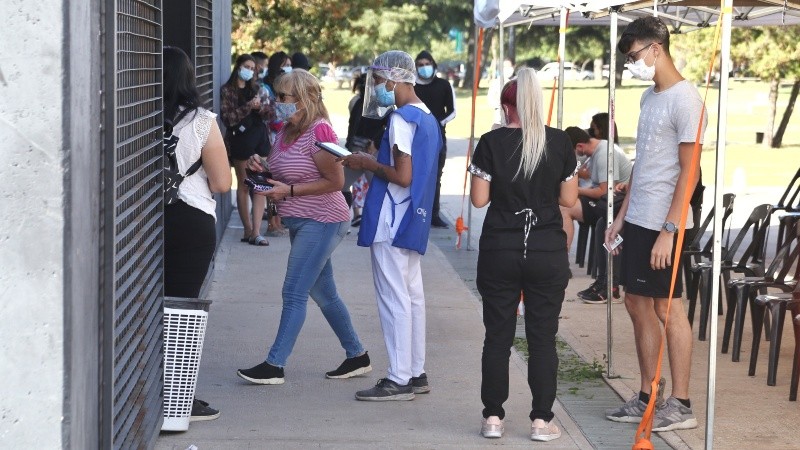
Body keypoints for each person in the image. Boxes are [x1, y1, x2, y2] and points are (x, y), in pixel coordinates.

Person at [604, 16, 707, 432]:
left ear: (656, 49)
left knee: (668, 307)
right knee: (635, 302)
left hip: (666, 222)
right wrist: (622, 216)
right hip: (640, 216)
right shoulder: (650, 98)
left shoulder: (688, 100)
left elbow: (690, 173)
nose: (633, 65)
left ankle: (681, 403)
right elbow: (644, 164)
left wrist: (670, 229)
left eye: (634, 56)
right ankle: (649, 393)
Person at [236, 69, 371, 385]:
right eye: (278, 96)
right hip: (303, 220)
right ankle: (357, 355)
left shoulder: (320, 132)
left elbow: (335, 182)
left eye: (284, 97)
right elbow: (292, 171)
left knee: (294, 291)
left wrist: (290, 192)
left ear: (304, 99)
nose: (278, 102)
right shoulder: (286, 130)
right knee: (324, 294)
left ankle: (275, 364)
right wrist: (266, 170)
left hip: (323, 220)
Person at [469, 68, 578, 441]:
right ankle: (541, 420)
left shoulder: (490, 142)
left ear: (505, 105)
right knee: (542, 337)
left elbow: (480, 199)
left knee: (497, 336)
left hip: (501, 245)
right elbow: (568, 199)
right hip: (546, 247)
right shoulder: (560, 142)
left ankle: (493, 417)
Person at [341, 51, 442, 401]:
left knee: (394, 298)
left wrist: (367, 162)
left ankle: (398, 378)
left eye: (379, 80)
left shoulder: (401, 118)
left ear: (394, 80)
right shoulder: (427, 116)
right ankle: (415, 372)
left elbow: (402, 175)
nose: (378, 88)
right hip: (412, 218)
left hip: (392, 218)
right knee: (412, 297)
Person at [162, 46, 232, 422]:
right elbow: (222, 183)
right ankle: (177, 400)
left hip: (142, 223)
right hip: (190, 221)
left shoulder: (133, 115)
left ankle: (140, 386)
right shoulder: (202, 121)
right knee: (181, 309)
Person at [560, 127, 632, 303]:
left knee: (565, 207)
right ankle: (605, 280)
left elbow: (603, 191)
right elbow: (586, 173)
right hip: (609, 202)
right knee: (601, 223)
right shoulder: (595, 152)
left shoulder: (603, 154)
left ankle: (562, 263)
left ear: (579, 147)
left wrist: (575, 190)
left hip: (616, 202)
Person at [220, 54, 273, 246]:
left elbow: (270, 113)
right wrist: (248, 107)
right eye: (247, 66)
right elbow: (228, 118)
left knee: (260, 185)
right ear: (238, 67)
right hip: (240, 141)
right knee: (244, 186)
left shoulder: (258, 89)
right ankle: (247, 229)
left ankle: (257, 232)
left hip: (260, 139)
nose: (250, 71)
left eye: (253, 68)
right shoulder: (228, 90)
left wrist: (259, 108)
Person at [414, 50, 456, 229]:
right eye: (420, 65)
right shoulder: (412, 86)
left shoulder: (444, 85)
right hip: (415, 137)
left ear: (433, 64)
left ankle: (434, 214)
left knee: (436, 177)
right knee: (415, 175)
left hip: (438, 137)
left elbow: (452, 111)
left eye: (427, 64)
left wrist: (437, 123)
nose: (424, 68)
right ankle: (415, 212)